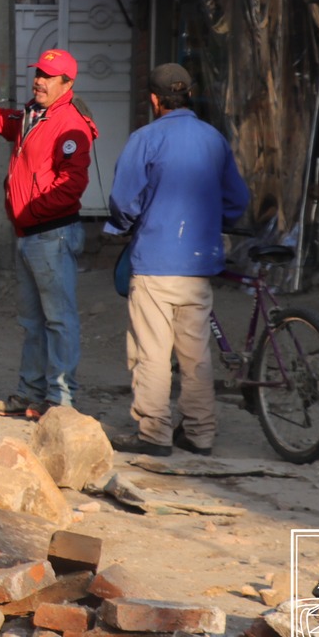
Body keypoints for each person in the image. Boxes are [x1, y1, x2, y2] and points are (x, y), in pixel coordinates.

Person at [0, 47, 98, 418]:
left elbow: (71, 185)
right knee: (33, 322)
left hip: (52, 234)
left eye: (48, 76)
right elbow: (4, 120)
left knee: (58, 320)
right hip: (31, 234)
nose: (39, 80)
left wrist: (30, 209)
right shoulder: (34, 113)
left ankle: (61, 402)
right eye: (38, 73)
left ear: (67, 84)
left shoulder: (70, 124)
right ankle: (31, 393)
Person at [105, 63, 250, 457]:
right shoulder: (213, 139)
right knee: (195, 352)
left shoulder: (146, 138)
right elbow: (237, 201)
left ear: (154, 99)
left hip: (155, 261)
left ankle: (154, 433)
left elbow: (123, 201)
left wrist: (124, 224)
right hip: (199, 263)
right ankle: (200, 433)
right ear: (189, 94)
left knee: (151, 351)